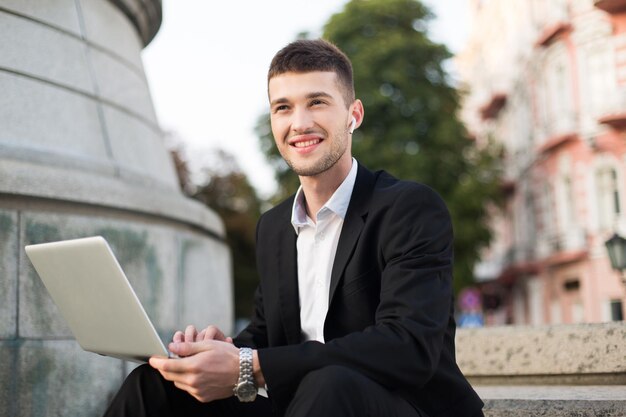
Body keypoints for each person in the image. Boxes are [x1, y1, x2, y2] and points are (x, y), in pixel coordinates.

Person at [103, 39, 484, 417]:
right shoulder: (273, 227)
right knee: (154, 386)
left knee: (331, 383)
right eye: (283, 108)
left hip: (403, 407)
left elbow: (408, 347)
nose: (299, 123)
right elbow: (270, 336)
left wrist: (249, 365)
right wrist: (223, 351)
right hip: (305, 408)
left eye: (317, 102)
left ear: (354, 114)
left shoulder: (409, 208)